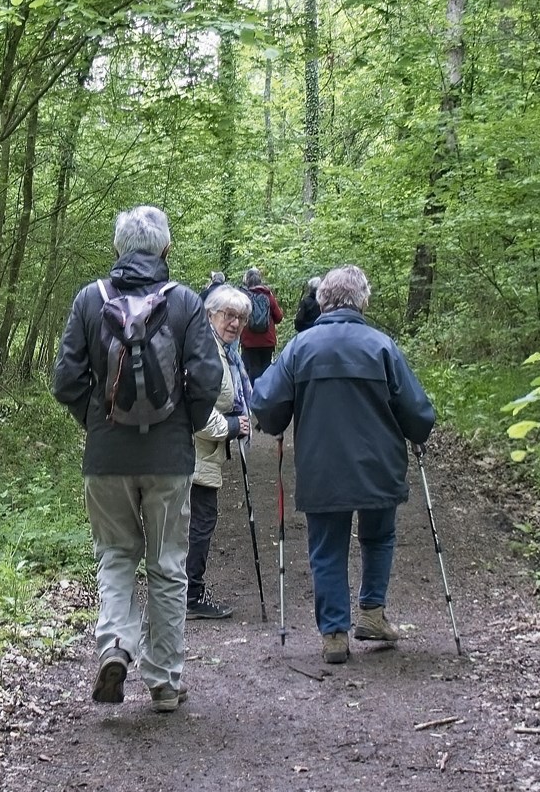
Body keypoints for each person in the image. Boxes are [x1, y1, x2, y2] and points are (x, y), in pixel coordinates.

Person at [52, 205, 223, 712]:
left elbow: (66, 380)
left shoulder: (90, 300)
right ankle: (165, 682)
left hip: (105, 457)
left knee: (116, 555)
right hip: (169, 457)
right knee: (169, 567)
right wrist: (184, 425)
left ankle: (114, 648)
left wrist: (96, 421)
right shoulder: (187, 302)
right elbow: (207, 377)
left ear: (117, 250)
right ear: (166, 249)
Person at [249, 264, 436, 667]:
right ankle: (371, 613)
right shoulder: (382, 345)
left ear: (322, 301)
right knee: (379, 536)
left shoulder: (301, 347)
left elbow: (265, 403)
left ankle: (334, 633)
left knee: (327, 548)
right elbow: (418, 413)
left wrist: (278, 420)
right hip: (379, 464)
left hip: (322, 468)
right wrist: (418, 431)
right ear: (362, 300)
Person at [186, 285, 259, 619]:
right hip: (193, 453)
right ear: (209, 314)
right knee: (199, 523)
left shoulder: (227, 353)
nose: (235, 323)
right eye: (228, 315)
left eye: (241, 318)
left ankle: (185, 594)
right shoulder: (206, 352)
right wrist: (232, 427)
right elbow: (195, 409)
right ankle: (188, 597)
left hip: (205, 454)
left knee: (198, 523)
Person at [239, 267, 281, 385]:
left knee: (252, 370)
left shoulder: (243, 297)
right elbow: (279, 317)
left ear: (247, 281)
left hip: (249, 341)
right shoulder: (269, 296)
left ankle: (253, 396)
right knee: (266, 368)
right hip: (267, 341)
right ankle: (266, 395)